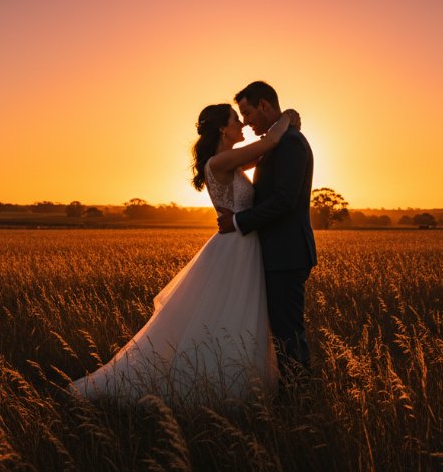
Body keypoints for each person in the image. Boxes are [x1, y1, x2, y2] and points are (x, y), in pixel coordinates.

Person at [68, 101, 300, 403]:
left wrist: (280, 134)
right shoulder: (219, 163)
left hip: (242, 246)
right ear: (222, 128)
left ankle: (237, 384)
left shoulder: (227, 161)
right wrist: (286, 118)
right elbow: (269, 142)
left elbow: (266, 151)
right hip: (235, 249)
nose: (242, 124)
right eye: (235, 120)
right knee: (228, 316)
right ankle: (217, 388)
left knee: (234, 317)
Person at [216, 81, 317, 384]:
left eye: (247, 112)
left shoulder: (290, 144)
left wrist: (238, 222)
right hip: (277, 254)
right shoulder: (277, 143)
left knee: (288, 332)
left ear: (263, 106)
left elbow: (285, 199)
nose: (245, 120)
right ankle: (293, 393)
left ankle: (299, 398)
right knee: (283, 330)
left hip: (287, 254)